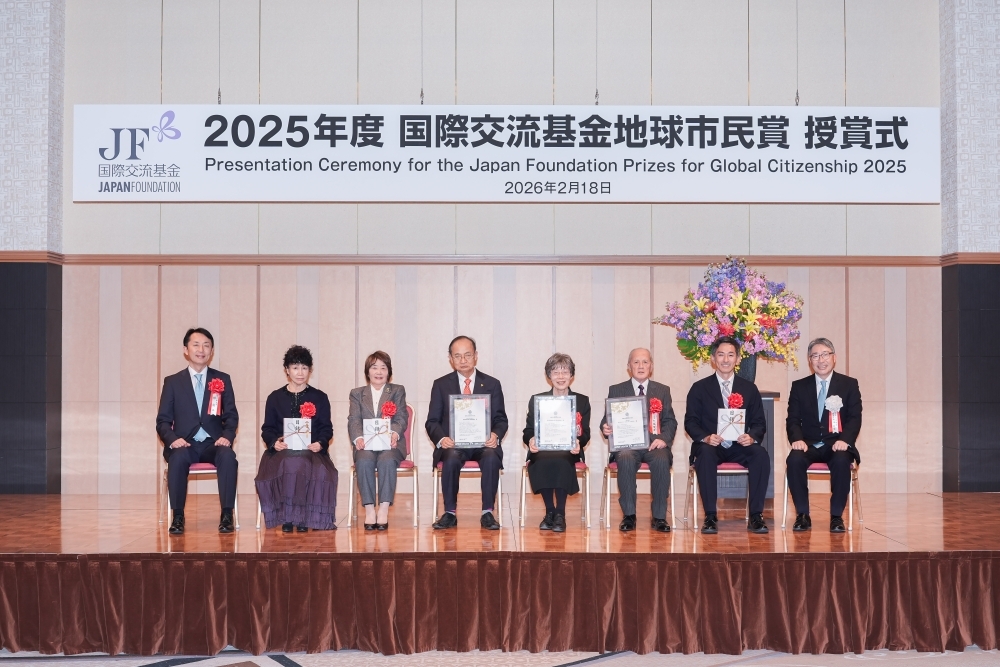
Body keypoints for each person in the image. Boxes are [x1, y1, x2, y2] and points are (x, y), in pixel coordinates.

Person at [156, 327, 239, 535]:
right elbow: (163, 421)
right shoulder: (173, 382)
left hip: (213, 443)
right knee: (177, 458)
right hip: (185, 443)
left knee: (228, 457)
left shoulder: (222, 379)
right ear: (186, 350)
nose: (201, 350)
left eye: (206, 345)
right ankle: (178, 516)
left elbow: (231, 416)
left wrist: (227, 437)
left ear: (211, 351)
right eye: (196, 345)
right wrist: (173, 439)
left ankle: (227, 514)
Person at [684, 336, 770, 534]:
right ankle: (710, 516)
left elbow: (759, 422)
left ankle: (756, 516)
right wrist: (706, 437)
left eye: (730, 355)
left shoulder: (749, 388)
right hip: (711, 445)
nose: (725, 359)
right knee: (705, 455)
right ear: (713, 358)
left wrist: (752, 436)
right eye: (721, 355)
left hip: (740, 445)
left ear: (738, 359)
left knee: (760, 455)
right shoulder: (699, 388)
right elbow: (691, 422)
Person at [425, 335, 509, 530]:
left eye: (467, 355)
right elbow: (432, 421)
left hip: (484, 444)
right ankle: (449, 513)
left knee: (491, 457)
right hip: (454, 445)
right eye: (457, 356)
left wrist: (495, 435)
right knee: (451, 458)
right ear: (450, 358)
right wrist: (442, 438)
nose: (463, 360)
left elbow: (501, 419)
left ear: (476, 356)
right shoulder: (441, 385)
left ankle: (488, 513)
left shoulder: (492, 384)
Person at [255, 345, 337, 532]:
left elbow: (326, 428)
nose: (300, 373)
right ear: (287, 370)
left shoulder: (320, 397)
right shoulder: (274, 398)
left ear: (310, 370)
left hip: (312, 451)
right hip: (282, 451)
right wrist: (274, 442)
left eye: (304, 368)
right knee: (292, 462)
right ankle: (289, 517)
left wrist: (320, 443)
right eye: (295, 367)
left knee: (308, 465)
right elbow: (267, 429)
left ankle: (301, 518)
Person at [785, 337, 862, 533]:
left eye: (825, 354)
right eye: (815, 356)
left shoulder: (849, 385)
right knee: (794, 460)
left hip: (837, 444)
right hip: (808, 444)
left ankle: (836, 517)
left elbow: (854, 418)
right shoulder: (799, 386)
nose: (821, 360)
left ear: (834, 357)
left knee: (841, 461)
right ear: (810, 360)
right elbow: (793, 419)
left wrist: (845, 440)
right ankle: (803, 515)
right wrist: (797, 439)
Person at [599, 348, 678, 533]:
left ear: (651, 366)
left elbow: (670, 421)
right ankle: (629, 515)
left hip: (654, 445)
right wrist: (605, 427)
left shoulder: (662, 390)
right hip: (628, 445)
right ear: (629, 366)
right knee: (625, 458)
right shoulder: (616, 389)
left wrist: (663, 439)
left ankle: (659, 516)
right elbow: (607, 419)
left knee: (661, 459)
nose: (640, 366)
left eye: (645, 362)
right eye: (636, 362)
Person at [522, 353, 591, 532]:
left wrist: (578, 442)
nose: (561, 377)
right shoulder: (537, 400)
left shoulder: (582, 401)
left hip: (569, 451)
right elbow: (528, 430)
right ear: (549, 376)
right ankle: (550, 511)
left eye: (565, 372)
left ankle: (560, 513)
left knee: (561, 459)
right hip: (542, 449)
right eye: (555, 372)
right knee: (541, 459)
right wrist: (531, 440)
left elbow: (586, 433)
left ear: (571, 375)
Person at [347, 351, 410, 530]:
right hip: (366, 444)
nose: (379, 372)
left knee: (387, 460)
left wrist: (394, 434)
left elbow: (402, 417)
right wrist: (358, 438)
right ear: (368, 371)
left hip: (391, 445)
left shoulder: (397, 390)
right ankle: (369, 510)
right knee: (364, 460)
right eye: (374, 367)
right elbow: (354, 419)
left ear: (389, 371)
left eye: (383, 367)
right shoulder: (357, 393)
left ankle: (383, 509)